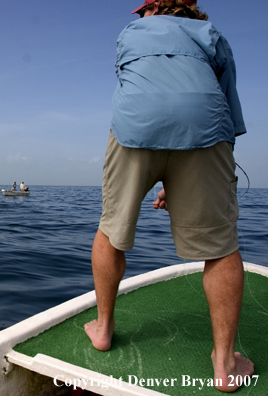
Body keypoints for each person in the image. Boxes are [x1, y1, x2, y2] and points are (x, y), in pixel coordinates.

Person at [83, 0, 254, 392]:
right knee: (222, 246)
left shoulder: (130, 34)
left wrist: (164, 176)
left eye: (143, 9)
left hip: (134, 128)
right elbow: (227, 102)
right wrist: (194, 172)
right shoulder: (211, 35)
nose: (141, 16)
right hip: (206, 126)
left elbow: (145, 90)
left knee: (111, 229)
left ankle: (104, 329)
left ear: (154, 8)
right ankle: (226, 365)